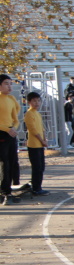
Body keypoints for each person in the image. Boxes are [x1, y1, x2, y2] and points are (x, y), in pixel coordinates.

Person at [0, 75, 21, 205]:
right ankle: (4, 192)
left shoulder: (12, 99)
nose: (9, 86)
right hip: (1, 134)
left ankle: (10, 188)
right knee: (4, 163)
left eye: (10, 83)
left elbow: (16, 119)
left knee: (13, 161)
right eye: (6, 83)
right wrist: (6, 129)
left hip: (10, 134)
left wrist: (13, 128)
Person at [23, 92, 49, 196]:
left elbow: (41, 128)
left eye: (38, 100)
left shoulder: (38, 113)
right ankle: (36, 188)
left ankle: (38, 186)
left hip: (40, 144)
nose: (37, 103)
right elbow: (32, 129)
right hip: (33, 144)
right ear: (29, 102)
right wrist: (41, 140)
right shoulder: (29, 113)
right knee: (36, 167)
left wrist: (44, 139)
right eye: (34, 101)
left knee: (41, 166)